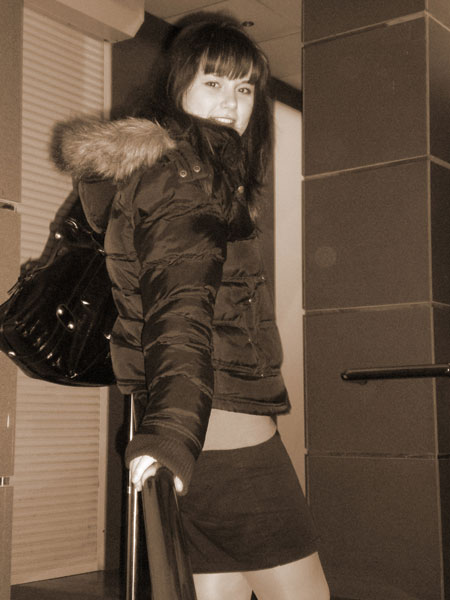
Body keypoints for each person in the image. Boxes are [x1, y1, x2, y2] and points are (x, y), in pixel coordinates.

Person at [51, 13, 330, 600]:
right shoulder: (185, 178)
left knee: (216, 591)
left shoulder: (168, 173)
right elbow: (181, 313)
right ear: (178, 87)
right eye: (213, 82)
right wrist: (172, 436)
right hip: (225, 430)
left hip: (196, 422)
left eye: (245, 88)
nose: (231, 102)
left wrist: (172, 432)